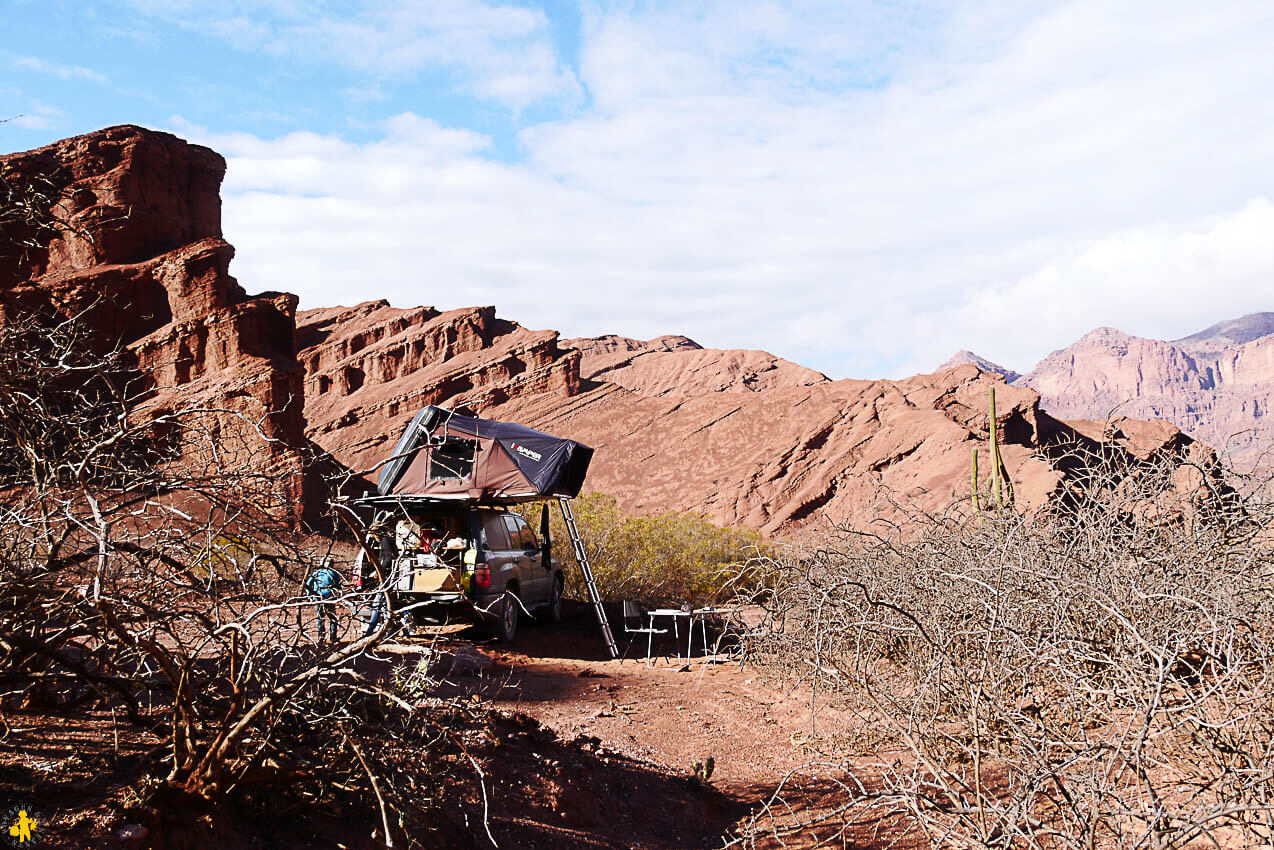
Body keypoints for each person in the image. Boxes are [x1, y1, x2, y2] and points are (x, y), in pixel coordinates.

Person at [304, 556, 344, 643]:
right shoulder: (334, 573)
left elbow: (307, 584)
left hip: (318, 597)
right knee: (332, 618)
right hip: (329, 598)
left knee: (320, 618)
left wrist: (309, 595)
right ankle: (333, 637)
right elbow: (338, 586)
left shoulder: (316, 573)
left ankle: (321, 638)